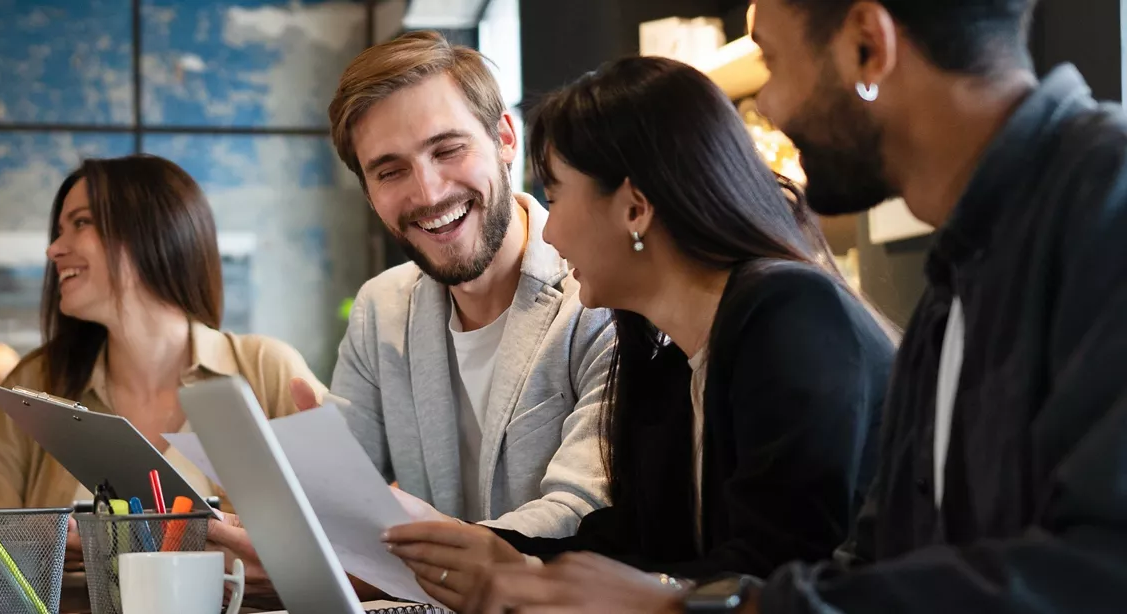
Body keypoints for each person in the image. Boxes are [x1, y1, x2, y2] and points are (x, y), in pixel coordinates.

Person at [464, 0, 1127, 612]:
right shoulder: (962, 278)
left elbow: (1095, 571)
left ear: (869, 46)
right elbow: (874, 564)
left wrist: (688, 606)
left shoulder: (1106, 202)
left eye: (774, 63)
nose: (771, 109)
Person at [381, 56, 896, 611]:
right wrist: (501, 553)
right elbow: (635, 542)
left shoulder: (791, 313)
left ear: (634, 206)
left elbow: (777, 570)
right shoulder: (670, 352)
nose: (550, 233)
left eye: (555, 197)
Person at [208, 30, 618, 606]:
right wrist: (286, 517)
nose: (428, 192)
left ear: (504, 138)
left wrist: (439, 539)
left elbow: (583, 512)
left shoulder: (602, 297)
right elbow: (344, 510)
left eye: (447, 150)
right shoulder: (382, 310)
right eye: (389, 170)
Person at [0, 154, 324, 511]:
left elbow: (348, 538)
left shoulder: (267, 370)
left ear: (152, 233)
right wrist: (50, 546)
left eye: (81, 223)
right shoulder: (36, 384)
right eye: (58, 231)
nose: (53, 249)